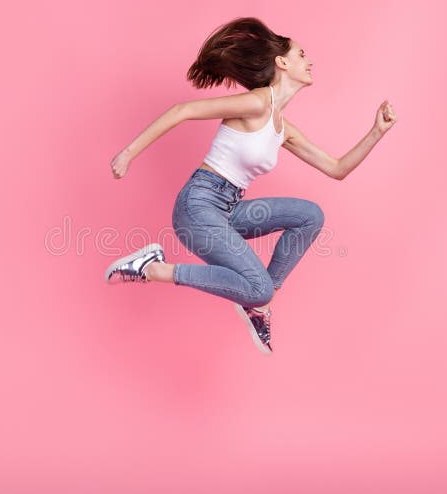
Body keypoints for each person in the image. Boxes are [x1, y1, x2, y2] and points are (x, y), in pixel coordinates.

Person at [104, 17, 397, 354]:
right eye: (303, 54)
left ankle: (256, 301)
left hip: (228, 209)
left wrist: (378, 131)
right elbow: (182, 110)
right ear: (282, 63)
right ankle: (152, 268)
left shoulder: (282, 127)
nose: (310, 60)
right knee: (258, 287)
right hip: (197, 207)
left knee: (309, 216)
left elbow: (336, 168)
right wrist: (127, 155)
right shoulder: (257, 103)